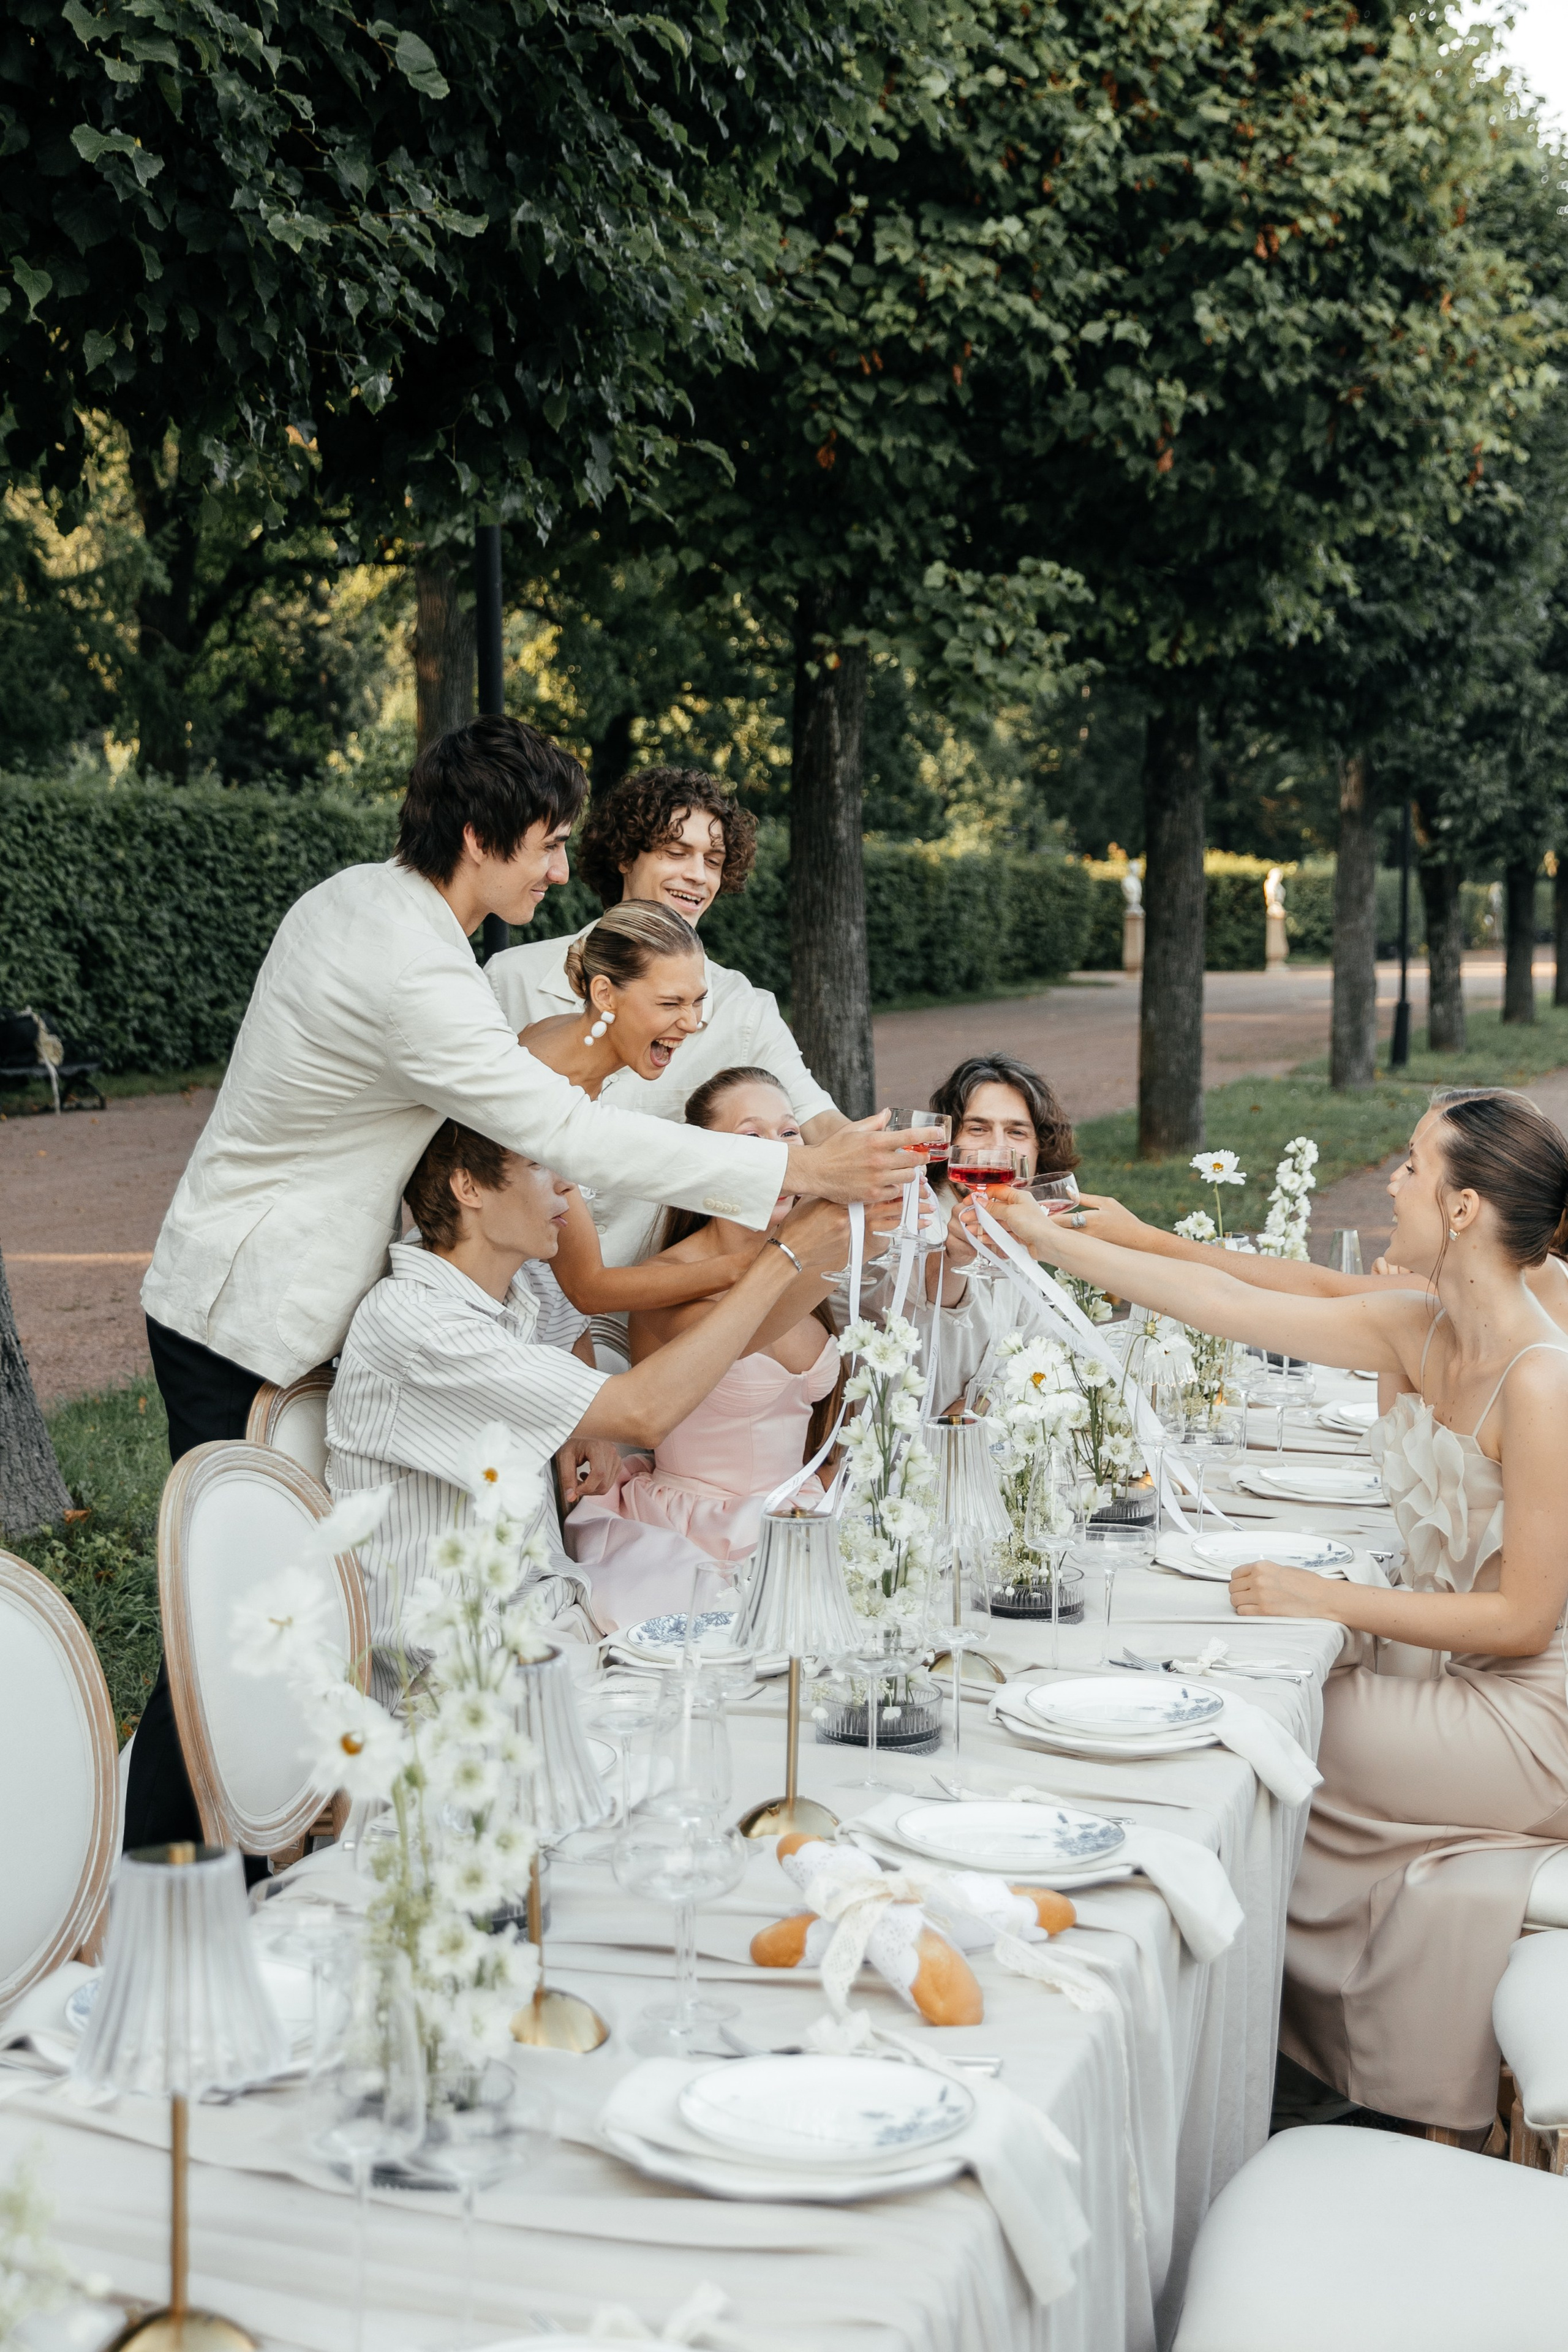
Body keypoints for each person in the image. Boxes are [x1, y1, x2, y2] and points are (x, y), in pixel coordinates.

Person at [130, 715, 913, 1849]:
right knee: (228, 1637)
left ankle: (264, 1860)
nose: (560, 868)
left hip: (321, 1305)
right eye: (546, 844)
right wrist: (792, 1170)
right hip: (246, 1314)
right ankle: (173, 1881)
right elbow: (559, 1134)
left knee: (287, 1621)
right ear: (475, 835)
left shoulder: (379, 907)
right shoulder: (414, 967)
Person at [972, 1091, 1568, 2135]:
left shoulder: (1542, 1379)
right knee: (1255, 1712)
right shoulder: (1420, 1327)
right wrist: (1042, 1234)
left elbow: (1524, 1621)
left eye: (1415, 1168)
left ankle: (1265, 2047)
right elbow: (1239, 1306)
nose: (1393, 1181)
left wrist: (1325, 1599)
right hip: (1468, 1688)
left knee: (1255, 1738)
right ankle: (1282, 2037)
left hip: (1538, 1717)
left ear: (1465, 1208)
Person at [328, 1115, 856, 1696]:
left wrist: (582, 1420)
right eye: (539, 1164)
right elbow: (643, 1413)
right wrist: (781, 1259)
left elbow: (598, 1343)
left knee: (802, 1668)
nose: (568, 1187)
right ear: (468, 1188)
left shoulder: (517, 1288)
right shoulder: (416, 1323)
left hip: (557, 1626)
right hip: (462, 1677)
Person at [486, 764, 846, 1267]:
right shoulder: (511, 979)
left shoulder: (743, 1008)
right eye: (676, 853)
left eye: (714, 860)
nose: (699, 875)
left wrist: (897, 1159)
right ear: (623, 858)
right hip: (514, 1281)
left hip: (649, 1296)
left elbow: (819, 1123)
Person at [565, 1066, 853, 1626]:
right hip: (693, 1530)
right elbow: (738, 1340)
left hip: (800, 1510)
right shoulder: (667, 1278)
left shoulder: (808, 1261)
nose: (778, 1156)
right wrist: (813, 1254)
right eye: (750, 1139)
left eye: (789, 1134)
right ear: (706, 1161)